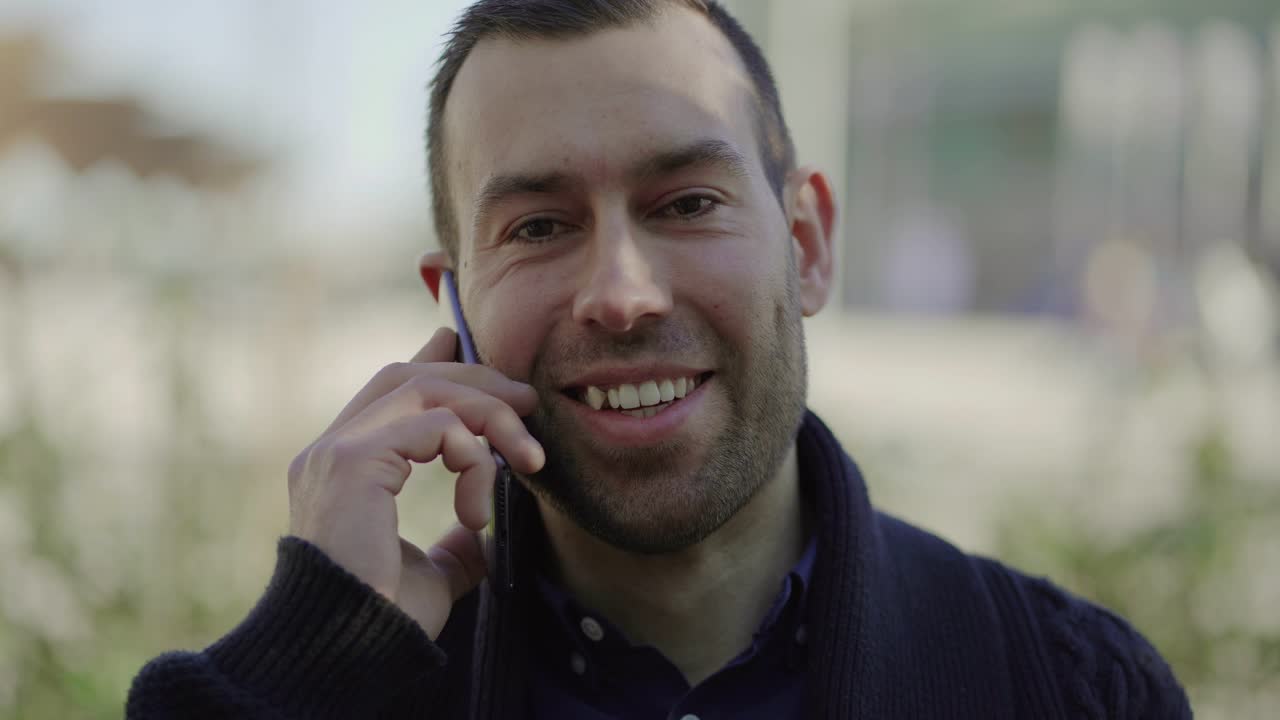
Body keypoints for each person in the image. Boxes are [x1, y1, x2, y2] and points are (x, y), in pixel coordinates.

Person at [126, 1, 1191, 717]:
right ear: (451, 306)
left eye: (686, 203)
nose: (622, 295)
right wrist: (307, 672)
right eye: (537, 227)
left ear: (807, 248)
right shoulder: (350, 691)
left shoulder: (1066, 689)